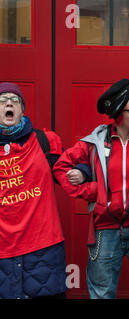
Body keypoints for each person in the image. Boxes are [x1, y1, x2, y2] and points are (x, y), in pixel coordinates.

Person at [53, 79, 129, 299]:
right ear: (119, 114)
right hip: (105, 231)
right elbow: (61, 167)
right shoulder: (91, 144)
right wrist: (92, 191)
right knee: (101, 294)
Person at [0, 82, 67, 299]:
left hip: (42, 250)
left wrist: (83, 173)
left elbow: (69, 171)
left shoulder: (45, 141)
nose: (9, 103)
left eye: (15, 100)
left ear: (22, 109)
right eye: (2, 100)